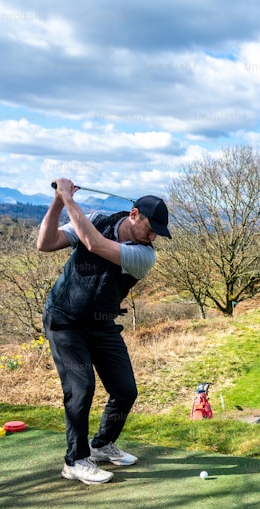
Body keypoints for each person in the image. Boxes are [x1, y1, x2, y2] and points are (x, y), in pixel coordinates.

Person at [37, 177, 171, 485]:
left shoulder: (144, 255)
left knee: (125, 391)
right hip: (64, 320)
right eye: (151, 228)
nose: (153, 237)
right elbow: (45, 243)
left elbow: (94, 244)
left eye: (157, 234)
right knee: (81, 388)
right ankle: (75, 460)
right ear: (134, 214)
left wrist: (69, 200)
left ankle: (101, 445)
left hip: (101, 324)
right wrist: (58, 200)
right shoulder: (98, 220)